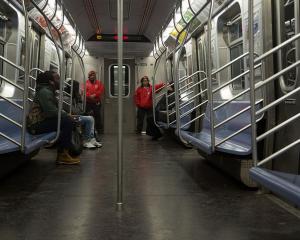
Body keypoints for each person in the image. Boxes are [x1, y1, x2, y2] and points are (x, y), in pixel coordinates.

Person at [26, 71, 80, 164]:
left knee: (67, 120)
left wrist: (66, 115)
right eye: (57, 79)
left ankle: (64, 151)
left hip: (41, 121)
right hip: (35, 125)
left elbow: (53, 111)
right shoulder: (45, 92)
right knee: (67, 122)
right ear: (51, 82)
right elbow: (51, 111)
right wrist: (66, 115)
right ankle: (62, 155)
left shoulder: (48, 91)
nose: (60, 81)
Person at [65, 80, 102, 149]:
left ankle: (91, 139)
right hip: (69, 117)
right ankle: (86, 140)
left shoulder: (72, 97)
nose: (78, 90)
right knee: (89, 119)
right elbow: (75, 111)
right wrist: (79, 101)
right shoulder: (66, 98)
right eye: (77, 88)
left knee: (91, 117)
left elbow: (79, 111)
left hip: (73, 115)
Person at [85, 70, 104, 138]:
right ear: (89, 77)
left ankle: (98, 130)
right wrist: (89, 96)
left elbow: (101, 90)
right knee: (88, 115)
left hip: (96, 102)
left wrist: (95, 95)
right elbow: (84, 91)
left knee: (97, 115)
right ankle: (89, 130)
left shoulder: (98, 83)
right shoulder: (86, 83)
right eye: (91, 76)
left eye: (93, 76)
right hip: (88, 102)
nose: (92, 77)